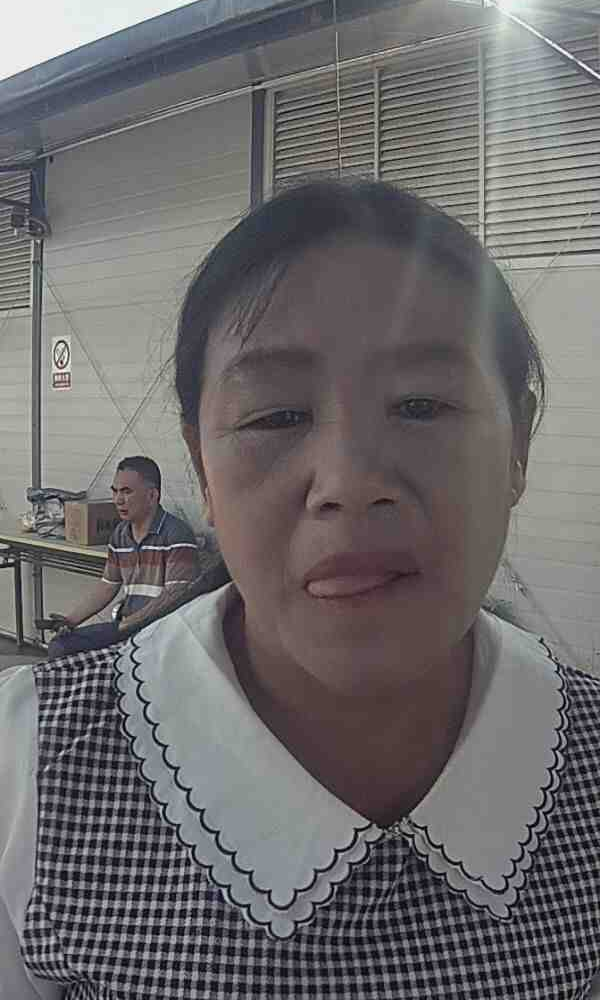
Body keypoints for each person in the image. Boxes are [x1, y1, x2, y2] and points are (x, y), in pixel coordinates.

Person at [1, 179, 598, 999]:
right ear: (203, 467)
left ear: (518, 446)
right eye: (277, 417)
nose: (348, 484)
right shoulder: (31, 768)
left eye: (422, 405)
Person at [46, 456, 201, 658]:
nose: (118, 500)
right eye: (115, 491)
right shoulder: (120, 534)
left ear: (152, 495)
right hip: (126, 627)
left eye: (127, 492)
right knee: (60, 646)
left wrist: (128, 624)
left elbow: (174, 596)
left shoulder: (177, 535)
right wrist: (69, 621)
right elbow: (107, 586)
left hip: (160, 632)